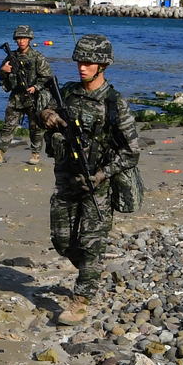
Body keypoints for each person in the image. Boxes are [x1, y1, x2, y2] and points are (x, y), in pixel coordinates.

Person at [40, 34, 140, 326]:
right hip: (65, 182)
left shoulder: (114, 103)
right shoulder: (67, 93)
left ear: (103, 65)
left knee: (91, 243)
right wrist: (48, 115)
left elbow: (131, 153)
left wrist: (101, 174)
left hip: (98, 185)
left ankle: (81, 300)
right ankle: (91, 271)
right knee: (61, 241)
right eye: (79, 61)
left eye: (89, 62)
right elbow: (42, 107)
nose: (82, 67)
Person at [0, 25, 55, 166]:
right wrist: (3, 70)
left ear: (29, 39)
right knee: (8, 126)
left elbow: (47, 77)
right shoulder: (11, 57)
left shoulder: (37, 57)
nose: (21, 41)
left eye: (24, 38)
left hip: (33, 97)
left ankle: (35, 154)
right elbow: (2, 75)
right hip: (16, 97)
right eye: (18, 38)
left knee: (35, 127)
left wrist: (35, 87)